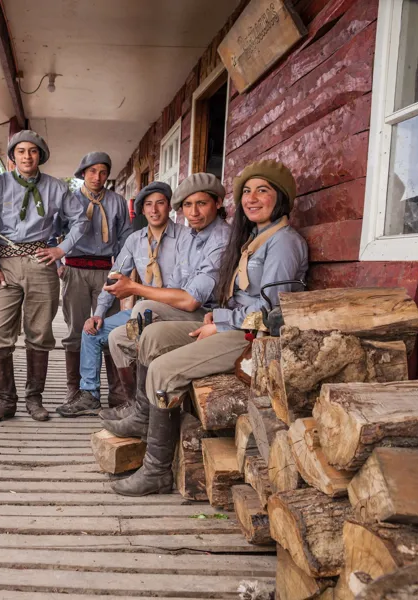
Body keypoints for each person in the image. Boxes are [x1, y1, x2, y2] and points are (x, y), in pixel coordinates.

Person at [111, 160, 308, 496]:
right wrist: (215, 317)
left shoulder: (283, 243)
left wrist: (219, 321)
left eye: (263, 190)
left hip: (253, 338)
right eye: (247, 191)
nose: (252, 198)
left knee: (161, 369)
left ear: (281, 198)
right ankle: (145, 415)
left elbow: (273, 310)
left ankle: (156, 470)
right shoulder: (254, 239)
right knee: (152, 334)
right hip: (231, 323)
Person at [65, 175, 230, 421]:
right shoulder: (135, 240)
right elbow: (114, 278)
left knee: (142, 311)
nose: (154, 209)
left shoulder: (188, 237)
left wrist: (135, 290)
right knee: (98, 332)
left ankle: (138, 402)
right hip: (149, 307)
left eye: (161, 202)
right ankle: (108, 398)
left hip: (177, 308)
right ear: (141, 209)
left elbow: (188, 296)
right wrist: (98, 313)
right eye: (148, 204)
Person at [0, 130, 88, 423]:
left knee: (40, 333)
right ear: (12, 156)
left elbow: (80, 220)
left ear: (40, 155)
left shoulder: (56, 188)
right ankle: (6, 401)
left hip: (42, 263)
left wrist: (60, 250)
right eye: (21, 151)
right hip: (7, 262)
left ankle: (34, 398)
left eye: (33, 151)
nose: (27, 156)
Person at [55, 152, 132, 414]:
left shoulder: (117, 202)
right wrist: (59, 266)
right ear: (82, 173)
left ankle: (117, 393)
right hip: (74, 271)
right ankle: (75, 390)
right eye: (91, 171)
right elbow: (52, 232)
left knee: (107, 331)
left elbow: (125, 238)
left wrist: (122, 272)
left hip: (106, 272)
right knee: (76, 330)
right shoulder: (70, 200)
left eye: (102, 172)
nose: (97, 177)